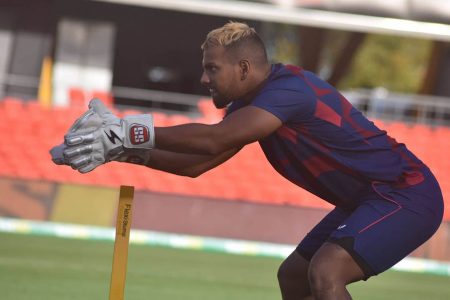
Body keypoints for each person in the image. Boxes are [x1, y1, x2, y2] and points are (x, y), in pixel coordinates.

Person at [50, 22, 444, 300]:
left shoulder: (289, 91)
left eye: (212, 69)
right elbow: (197, 164)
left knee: (326, 272)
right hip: (368, 199)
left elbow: (213, 139)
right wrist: (122, 151)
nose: (204, 79)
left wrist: (125, 130)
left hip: (404, 196)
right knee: (293, 277)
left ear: (243, 68)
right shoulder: (250, 102)